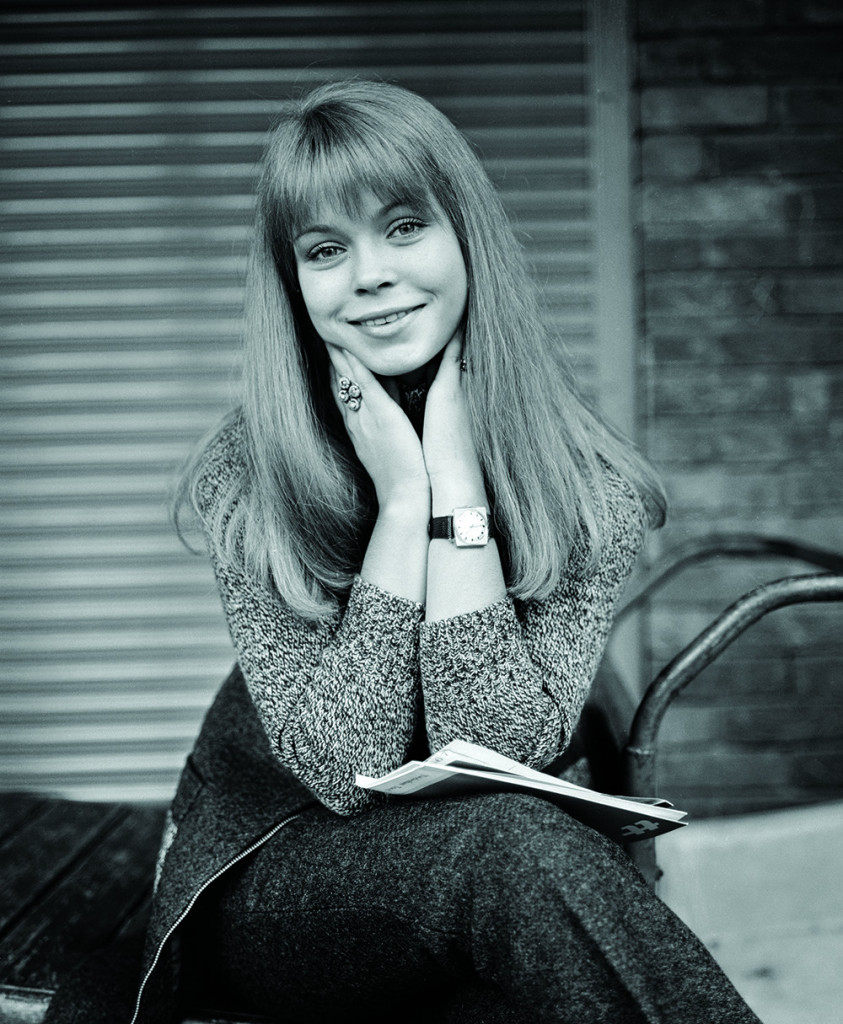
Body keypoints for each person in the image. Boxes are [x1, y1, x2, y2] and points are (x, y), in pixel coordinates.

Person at [76, 80, 760, 1024]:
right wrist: (403, 508)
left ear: (465, 235)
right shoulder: (250, 471)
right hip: (273, 876)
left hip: (481, 888)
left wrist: (456, 490)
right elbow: (341, 767)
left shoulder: (584, 484)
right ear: (292, 283)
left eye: (403, 227)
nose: (370, 274)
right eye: (326, 249)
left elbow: (495, 747)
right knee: (510, 851)